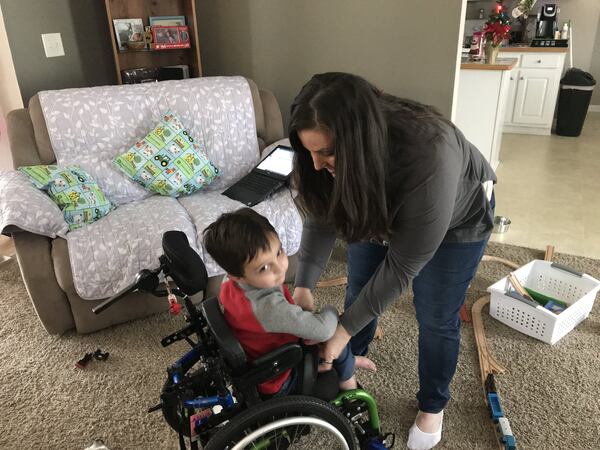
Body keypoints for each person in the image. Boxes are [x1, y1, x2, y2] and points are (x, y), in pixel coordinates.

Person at [289, 72, 496, 450]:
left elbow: (402, 267)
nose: (316, 165)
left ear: (359, 142)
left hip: (454, 221)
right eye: (309, 153)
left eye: (327, 153)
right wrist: (304, 286)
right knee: (360, 288)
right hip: (377, 206)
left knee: (435, 315)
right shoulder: (327, 162)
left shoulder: (430, 153)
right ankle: (351, 360)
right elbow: (320, 215)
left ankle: (433, 404)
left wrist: (341, 330)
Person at [203, 207, 375, 396]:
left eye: (279, 252)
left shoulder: (228, 283)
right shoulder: (268, 308)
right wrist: (331, 309)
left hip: (264, 351)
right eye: (264, 268)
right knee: (334, 329)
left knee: (321, 332)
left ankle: (347, 360)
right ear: (238, 276)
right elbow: (324, 329)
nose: (280, 268)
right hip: (277, 377)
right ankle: (349, 383)